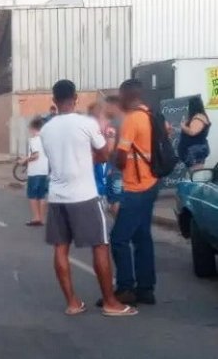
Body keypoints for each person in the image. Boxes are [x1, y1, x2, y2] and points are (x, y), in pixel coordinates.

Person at [40, 79, 137, 317]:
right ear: (75, 98)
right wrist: (87, 157)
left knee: (60, 249)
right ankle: (110, 303)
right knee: (100, 246)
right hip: (84, 196)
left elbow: (53, 159)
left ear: (54, 100)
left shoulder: (46, 129)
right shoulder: (86, 123)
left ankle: (72, 302)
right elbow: (104, 155)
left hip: (57, 196)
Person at [109, 79, 160, 306]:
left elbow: (121, 157)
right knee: (142, 238)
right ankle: (146, 289)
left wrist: (115, 161)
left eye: (120, 95)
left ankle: (125, 288)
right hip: (151, 184)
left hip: (136, 186)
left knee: (119, 239)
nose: (118, 99)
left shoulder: (131, 120)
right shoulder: (150, 115)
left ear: (128, 96)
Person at [18, 117, 48, 226]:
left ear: (33, 128)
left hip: (35, 172)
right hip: (44, 170)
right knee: (42, 195)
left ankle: (36, 218)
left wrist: (25, 160)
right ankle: (42, 219)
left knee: (32, 195)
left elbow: (36, 155)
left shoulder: (34, 140)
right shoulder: (45, 139)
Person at [103, 96, 124, 216]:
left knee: (116, 199)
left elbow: (110, 148)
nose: (105, 110)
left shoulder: (112, 126)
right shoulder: (127, 120)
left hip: (116, 165)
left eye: (107, 107)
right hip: (127, 164)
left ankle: (119, 230)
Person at [178, 96, 211, 171]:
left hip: (195, 151)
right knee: (195, 174)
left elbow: (192, 132)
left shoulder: (198, 117)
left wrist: (183, 126)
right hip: (195, 150)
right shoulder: (199, 117)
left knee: (195, 175)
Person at [88, 103, 108, 197]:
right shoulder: (91, 125)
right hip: (94, 159)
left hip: (100, 159)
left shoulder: (103, 126)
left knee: (100, 182)